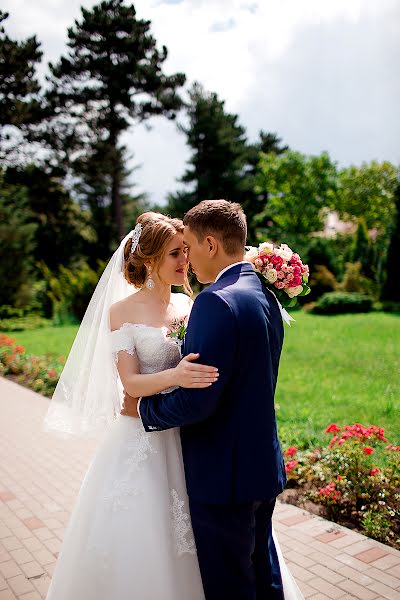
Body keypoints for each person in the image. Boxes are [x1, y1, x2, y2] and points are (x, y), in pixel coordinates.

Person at [44, 208, 303, 600]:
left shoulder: (194, 303)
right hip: (144, 440)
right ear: (149, 259)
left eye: (186, 250)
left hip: (191, 436)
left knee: (221, 552)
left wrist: (176, 385)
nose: (185, 260)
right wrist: (174, 377)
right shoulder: (122, 312)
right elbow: (130, 382)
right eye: (174, 254)